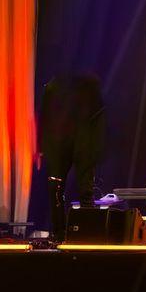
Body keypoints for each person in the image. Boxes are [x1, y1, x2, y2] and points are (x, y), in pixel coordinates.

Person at [39, 73, 106, 238]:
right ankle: (59, 232)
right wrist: (42, 146)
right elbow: (45, 115)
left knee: (85, 190)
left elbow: (98, 114)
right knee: (56, 188)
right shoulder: (53, 85)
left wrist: (95, 146)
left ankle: (87, 232)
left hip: (81, 142)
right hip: (59, 142)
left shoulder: (89, 84)